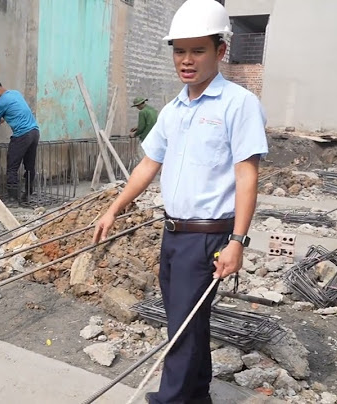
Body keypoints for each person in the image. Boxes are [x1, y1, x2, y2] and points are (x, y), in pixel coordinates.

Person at [92, 1, 268, 403]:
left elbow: (247, 174)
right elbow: (148, 164)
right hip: (173, 234)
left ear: (220, 51)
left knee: (183, 329)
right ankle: (196, 396)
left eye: (197, 50)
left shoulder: (238, 105)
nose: (186, 61)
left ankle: (168, 399)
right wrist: (113, 208)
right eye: (179, 51)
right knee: (189, 323)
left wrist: (238, 241)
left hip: (207, 237)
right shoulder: (173, 110)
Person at [0, 79, 40, 204]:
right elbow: (17, 112)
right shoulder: (15, 93)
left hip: (22, 135)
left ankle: (12, 199)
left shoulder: (0, 103)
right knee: (29, 166)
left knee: (12, 167)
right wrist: (3, 119)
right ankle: (28, 195)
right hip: (35, 132)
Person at [129, 96, 158, 162]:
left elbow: (141, 128)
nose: (137, 108)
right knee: (152, 157)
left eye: (137, 106)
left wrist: (134, 134)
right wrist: (137, 127)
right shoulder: (153, 110)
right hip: (154, 137)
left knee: (142, 156)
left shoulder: (142, 112)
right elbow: (151, 122)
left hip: (145, 137)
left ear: (139, 105)